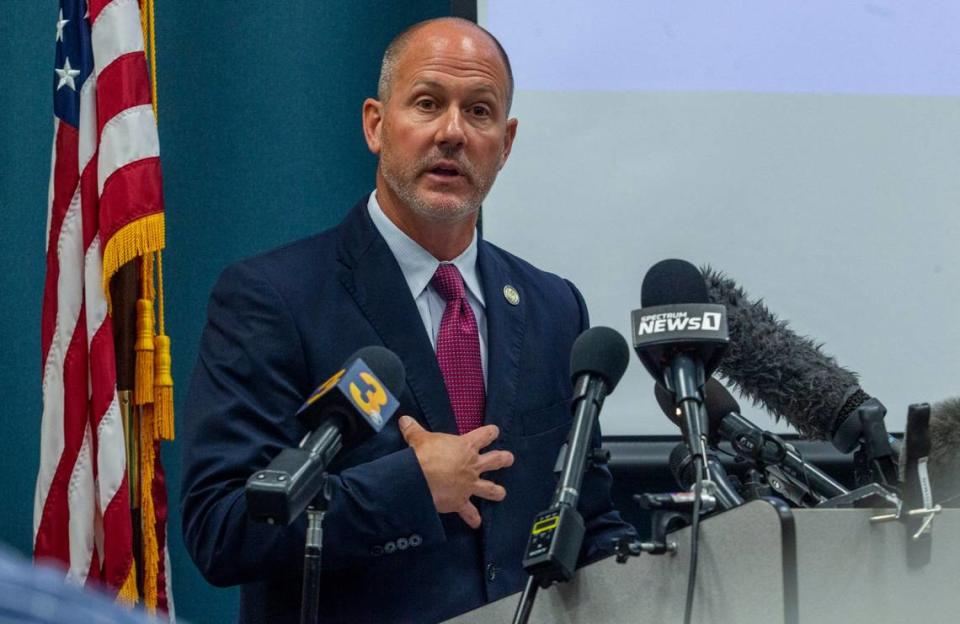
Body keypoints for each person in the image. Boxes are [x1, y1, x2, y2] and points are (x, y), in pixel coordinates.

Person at [180, 17, 635, 624]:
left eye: (479, 111)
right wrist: (409, 488)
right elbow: (223, 528)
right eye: (427, 103)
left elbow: (589, 510)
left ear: (507, 140)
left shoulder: (555, 307)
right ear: (376, 124)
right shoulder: (272, 298)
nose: (452, 132)